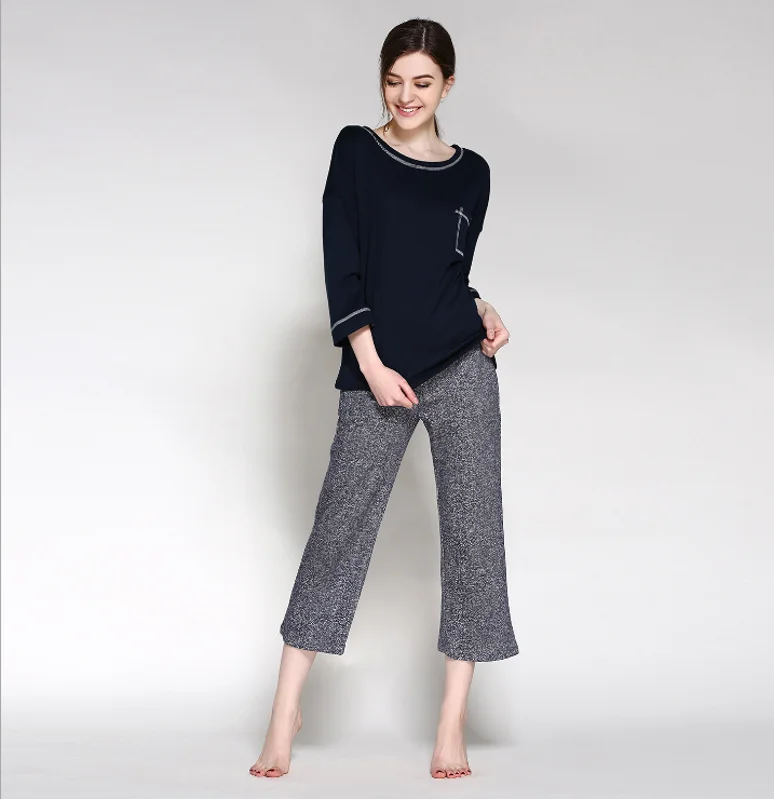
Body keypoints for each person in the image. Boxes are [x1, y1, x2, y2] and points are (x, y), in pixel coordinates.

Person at [250, 17, 519, 781]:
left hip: (463, 367)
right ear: (381, 81)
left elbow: (445, 273)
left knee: (475, 538)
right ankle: (284, 712)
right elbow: (346, 264)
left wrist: (483, 306)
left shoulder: (473, 173)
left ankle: (451, 722)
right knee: (340, 531)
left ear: (448, 86)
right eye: (395, 81)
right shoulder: (356, 151)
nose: (406, 96)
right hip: (380, 369)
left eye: (423, 83)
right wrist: (367, 361)